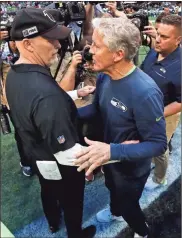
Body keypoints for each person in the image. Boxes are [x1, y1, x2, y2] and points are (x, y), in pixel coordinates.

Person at [5, 8, 96, 237]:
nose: (57, 45)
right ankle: (75, 233)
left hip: (36, 154)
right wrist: (90, 162)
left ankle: (53, 222)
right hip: (61, 162)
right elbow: (65, 151)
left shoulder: (15, 73)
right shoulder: (46, 94)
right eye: (50, 39)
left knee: (47, 189)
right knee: (73, 201)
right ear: (27, 44)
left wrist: (75, 94)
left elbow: (34, 104)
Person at [74, 17, 167, 238]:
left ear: (118, 55)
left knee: (129, 207)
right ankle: (115, 212)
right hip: (109, 160)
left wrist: (112, 151)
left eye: (97, 45)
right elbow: (96, 110)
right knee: (112, 191)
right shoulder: (106, 76)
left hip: (131, 170)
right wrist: (63, 114)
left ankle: (142, 232)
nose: (90, 50)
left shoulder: (145, 92)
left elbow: (158, 144)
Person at [141, 15, 181, 190]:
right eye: (157, 33)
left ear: (178, 40)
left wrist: (156, 114)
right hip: (144, 109)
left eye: (164, 37)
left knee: (159, 148)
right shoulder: (154, 51)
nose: (157, 39)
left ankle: (160, 178)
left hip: (164, 114)